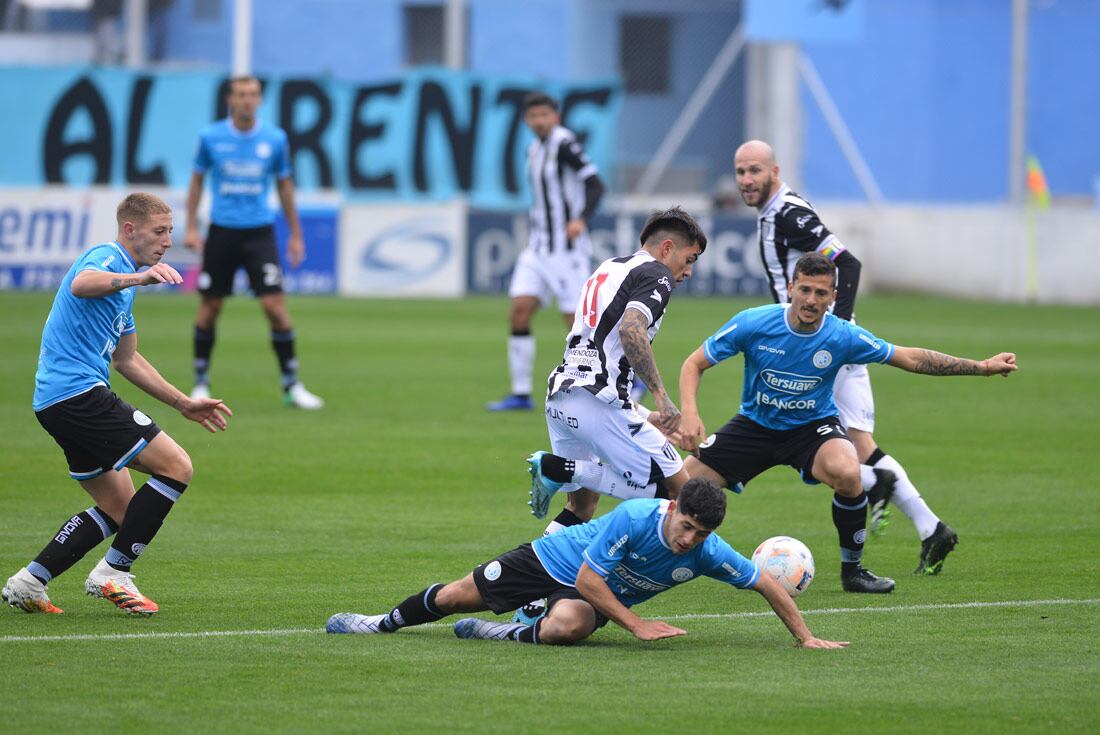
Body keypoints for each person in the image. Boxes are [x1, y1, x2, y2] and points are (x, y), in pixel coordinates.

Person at [676, 252, 1017, 593]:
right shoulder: (754, 322)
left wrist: (982, 367)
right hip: (754, 425)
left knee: (849, 472)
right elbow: (694, 363)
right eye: (805, 290)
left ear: (833, 298)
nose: (811, 300)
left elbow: (909, 358)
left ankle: (853, 572)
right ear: (791, 288)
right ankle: (659, 559)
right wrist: (690, 413)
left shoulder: (842, 336)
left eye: (821, 293)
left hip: (812, 428)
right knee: (678, 486)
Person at [733, 139, 958, 575]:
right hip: (821, 342)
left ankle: (876, 485)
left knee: (806, 442)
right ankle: (932, 529)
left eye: (754, 171)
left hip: (816, 346)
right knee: (860, 445)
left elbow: (846, 263)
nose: (746, 180)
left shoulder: (789, 214)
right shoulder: (778, 211)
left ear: (774, 171)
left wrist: (840, 330)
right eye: (740, 171)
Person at [2, 193, 232, 616]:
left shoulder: (125, 285)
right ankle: (114, 573)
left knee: (120, 508)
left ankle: (29, 582)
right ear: (130, 229)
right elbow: (81, 283)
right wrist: (138, 279)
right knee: (176, 466)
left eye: (170, 232)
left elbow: (126, 359)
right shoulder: (108, 258)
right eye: (159, 231)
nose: (166, 241)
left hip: (58, 402)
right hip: (78, 395)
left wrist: (183, 402)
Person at [326, 478, 847, 649]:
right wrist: (636, 623)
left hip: (588, 595)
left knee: (567, 627)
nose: (690, 540)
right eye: (686, 526)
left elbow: (765, 584)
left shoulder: (709, 551)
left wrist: (804, 636)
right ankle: (379, 623)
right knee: (453, 596)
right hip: (556, 561)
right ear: (672, 508)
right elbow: (587, 578)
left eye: (701, 533)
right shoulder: (639, 517)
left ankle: (502, 633)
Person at [525, 206, 706, 539]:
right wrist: (663, 398)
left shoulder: (607, 268)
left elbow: (600, 359)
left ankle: (532, 585)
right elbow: (631, 330)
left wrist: (649, 416)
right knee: (683, 498)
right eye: (690, 259)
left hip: (562, 399)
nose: (688, 272)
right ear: (667, 248)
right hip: (599, 405)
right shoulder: (657, 273)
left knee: (580, 509)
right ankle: (561, 469)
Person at [185, 75, 323, 409]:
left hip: (260, 233)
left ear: (260, 99)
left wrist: (296, 234)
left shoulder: (275, 139)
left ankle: (292, 385)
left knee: (275, 308)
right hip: (222, 231)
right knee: (210, 308)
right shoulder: (211, 137)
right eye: (242, 94)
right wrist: (190, 225)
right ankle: (201, 382)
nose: (248, 100)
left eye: (254, 94)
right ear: (230, 99)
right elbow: (197, 180)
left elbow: (285, 186)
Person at [487, 92, 606, 411]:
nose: (539, 121)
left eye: (544, 115)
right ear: (527, 120)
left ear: (556, 116)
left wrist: (580, 219)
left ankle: (621, 378)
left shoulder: (565, 145)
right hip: (538, 247)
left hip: (565, 250)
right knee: (520, 309)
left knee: (577, 322)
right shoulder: (534, 148)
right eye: (533, 116)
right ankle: (521, 393)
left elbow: (596, 184)